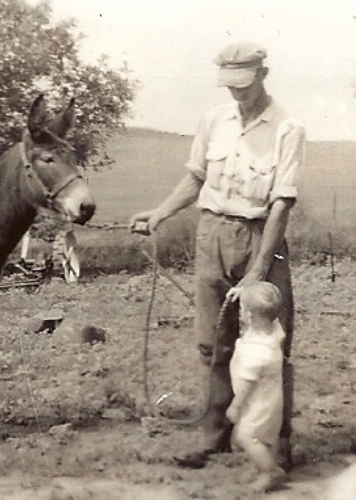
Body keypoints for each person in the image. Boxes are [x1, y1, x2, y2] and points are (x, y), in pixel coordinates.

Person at [130, 42, 305, 469]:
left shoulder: (287, 128)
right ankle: (214, 437)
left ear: (263, 74)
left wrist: (259, 270)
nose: (236, 94)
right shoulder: (214, 120)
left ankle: (277, 447)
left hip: (260, 238)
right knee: (213, 343)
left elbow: (282, 203)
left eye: (243, 85)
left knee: (269, 344)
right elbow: (196, 178)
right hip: (212, 236)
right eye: (229, 86)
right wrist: (159, 213)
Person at [226, 282, 286, 492]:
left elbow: (246, 385)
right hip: (271, 400)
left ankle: (270, 471)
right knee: (266, 436)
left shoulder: (256, 354)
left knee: (247, 435)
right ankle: (263, 466)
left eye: (242, 308)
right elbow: (267, 312)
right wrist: (247, 295)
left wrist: (235, 405)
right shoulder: (274, 332)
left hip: (256, 401)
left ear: (248, 316)